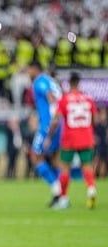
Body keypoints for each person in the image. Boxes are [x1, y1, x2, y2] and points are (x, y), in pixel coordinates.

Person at [47, 72, 97, 209]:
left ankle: (63, 199)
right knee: (87, 166)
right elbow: (94, 120)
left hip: (69, 138)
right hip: (86, 137)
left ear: (69, 83)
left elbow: (56, 120)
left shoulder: (64, 100)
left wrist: (49, 136)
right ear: (79, 83)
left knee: (65, 168)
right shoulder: (88, 99)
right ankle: (91, 191)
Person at [27, 61, 62, 207]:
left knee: (36, 156)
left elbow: (51, 99)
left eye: (29, 70)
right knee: (55, 157)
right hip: (60, 123)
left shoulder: (40, 81)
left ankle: (57, 189)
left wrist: (52, 121)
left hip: (48, 125)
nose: (28, 73)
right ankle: (61, 194)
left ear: (35, 69)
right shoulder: (51, 80)